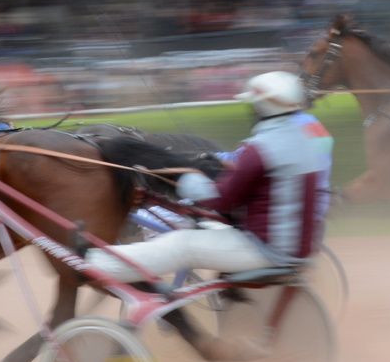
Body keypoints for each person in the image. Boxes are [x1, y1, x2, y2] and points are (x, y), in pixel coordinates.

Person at [84, 71, 329, 284]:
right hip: (297, 247)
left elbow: (222, 200)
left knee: (182, 244)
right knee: (198, 229)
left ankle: (93, 264)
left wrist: (186, 179)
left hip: (266, 250)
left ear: (262, 107)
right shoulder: (307, 140)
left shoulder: (261, 148)